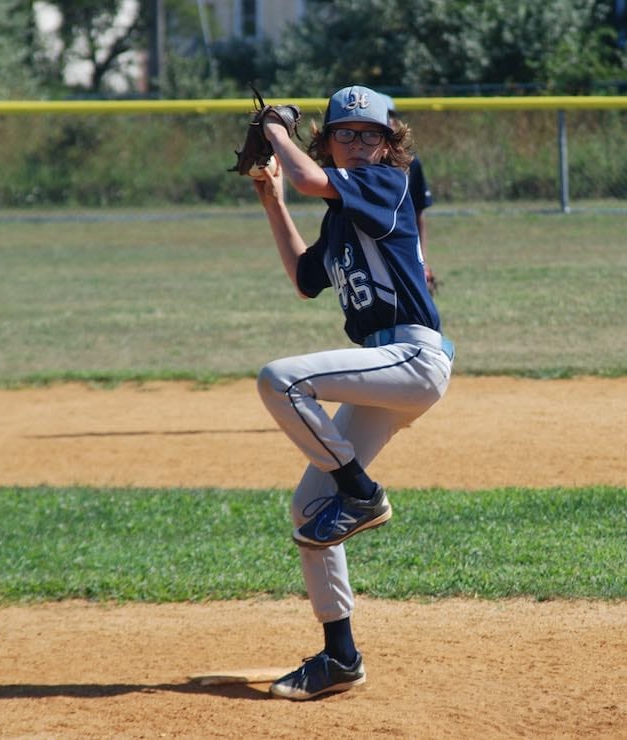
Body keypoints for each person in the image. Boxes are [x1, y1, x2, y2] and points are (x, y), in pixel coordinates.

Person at [248, 85, 454, 701]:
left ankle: (362, 495)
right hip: (383, 370)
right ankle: (341, 659)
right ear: (329, 139)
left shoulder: (387, 185)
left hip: (413, 357)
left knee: (280, 377)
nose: (361, 144)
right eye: (347, 133)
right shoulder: (341, 213)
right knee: (311, 512)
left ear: (391, 146)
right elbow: (306, 280)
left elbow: (315, 180)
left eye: (373, 135)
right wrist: (270, 195)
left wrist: (274, 131)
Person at [380, 93, 438, 294]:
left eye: (390, 115)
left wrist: (421, 260)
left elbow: (418, 213)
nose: (388, 121)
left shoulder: (411, 164)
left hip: (404, 249)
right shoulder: (356, 167)